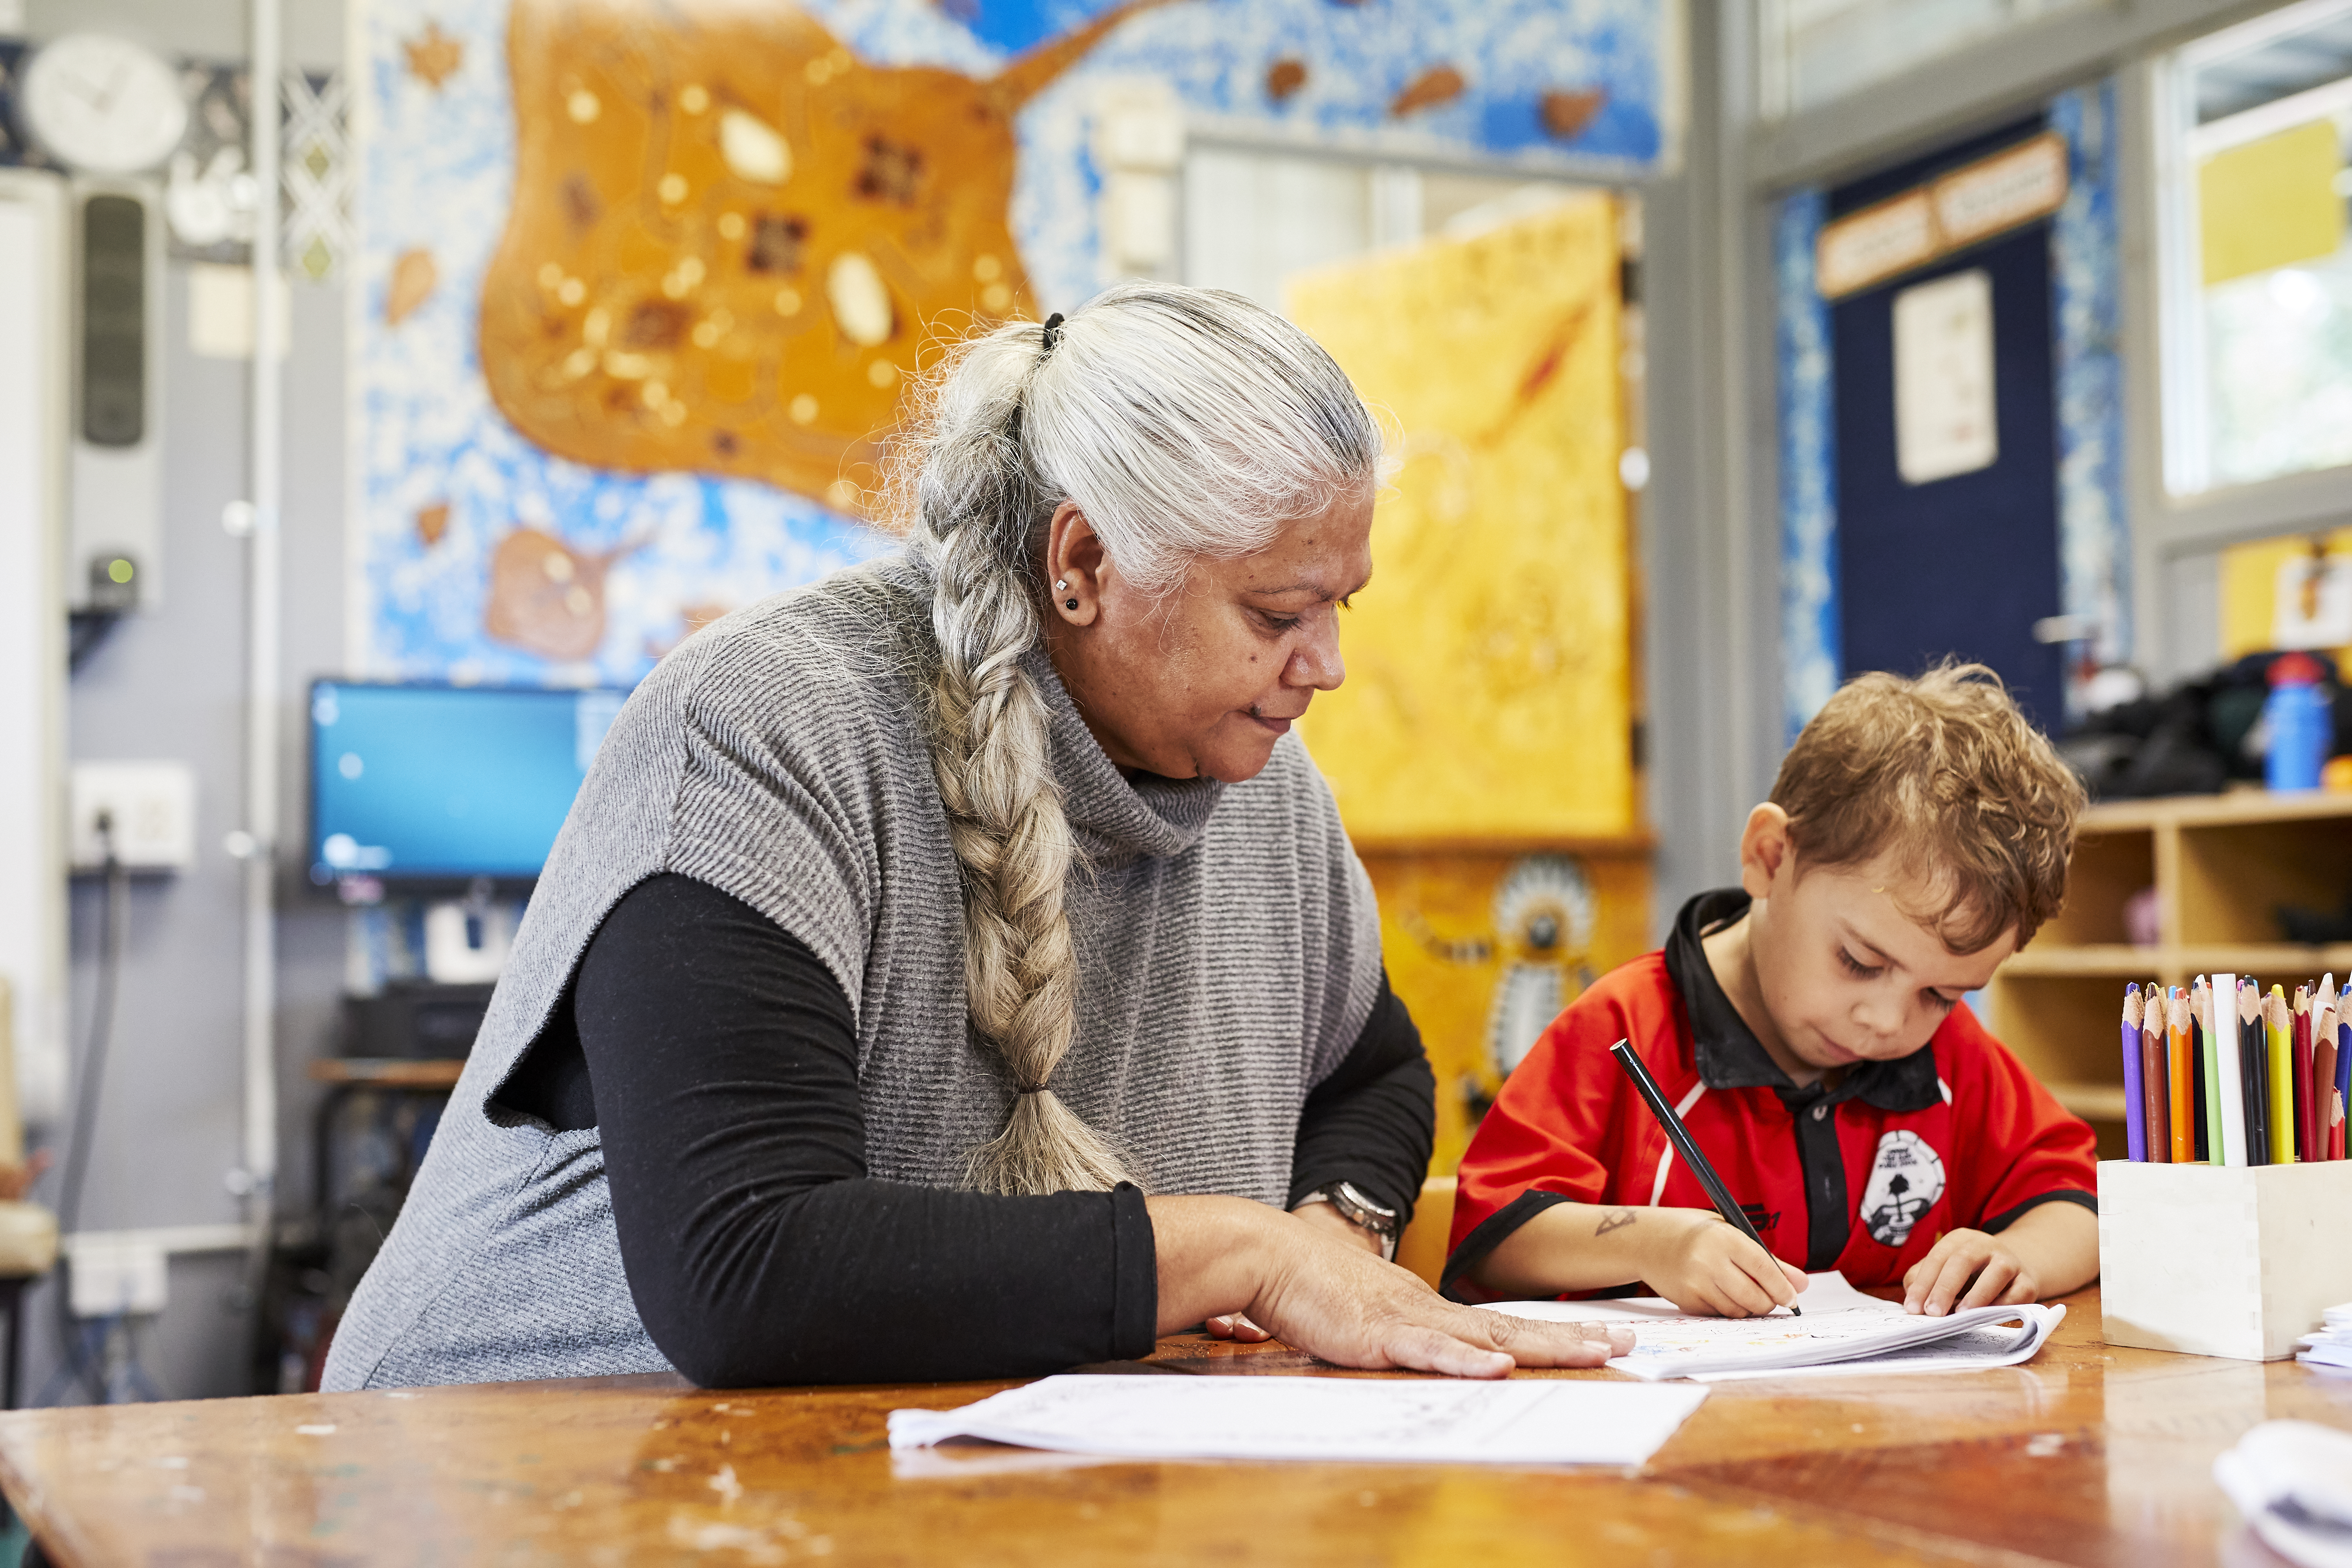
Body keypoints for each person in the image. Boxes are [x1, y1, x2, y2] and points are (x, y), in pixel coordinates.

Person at [322, 283, 1629, 1391]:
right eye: (1280, 610)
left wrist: (1329, 1233)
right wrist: (1242, 1256)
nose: (1327, 666)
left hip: (932, 1462)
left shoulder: (1270, 790)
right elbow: (747, 1268)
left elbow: (1371, 1074)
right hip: (530, 1458)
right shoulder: (764, 728)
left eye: (1341, 603)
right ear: (1082, 566)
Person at [1445, 663, 2100, 1318]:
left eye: (1943, 995)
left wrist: (2018, 1258)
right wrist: (1652, 1245)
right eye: (1860, 961)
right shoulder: (1626, 1027)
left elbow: (2082, 1205)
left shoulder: (1949, 1056)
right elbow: (1495, 1239)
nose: (1887, 1021)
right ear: (1770, 858)